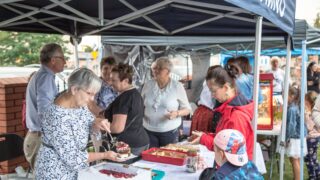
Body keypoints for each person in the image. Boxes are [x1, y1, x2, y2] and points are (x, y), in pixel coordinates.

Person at [35, 68, 120, 180]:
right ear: (74, 89)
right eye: (89, 94)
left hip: (76, 171)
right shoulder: (56, 117)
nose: (92, 99)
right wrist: (105, 155)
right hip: (56, 172)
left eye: (94, 94)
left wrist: (97, 123)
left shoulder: (78, 103)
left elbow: (89, 121)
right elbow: (73, 158)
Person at [190, 65, 254, 160]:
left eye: (213, 91)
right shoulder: (229, 110)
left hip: (232, 170)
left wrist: (205, 139)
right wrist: (205, 136)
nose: (212, 95)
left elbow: (232, 151)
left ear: (226, 87)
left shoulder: (236, 116)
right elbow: (225, 138)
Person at [23, 43, 66, 170]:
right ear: (53, 60)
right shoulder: (45, 77)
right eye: (62, 58)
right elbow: (46, 111)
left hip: (38, 137)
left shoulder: (43, 75)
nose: (65, 62)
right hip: (40, 138)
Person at [142, 57, 191, 148]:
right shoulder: (148, 85)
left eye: (159, 68)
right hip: (148, 130)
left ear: (168, 72)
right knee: (150, 159)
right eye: (154, 68)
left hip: (169, 132)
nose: (155, 70)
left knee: (168, 157)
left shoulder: (177, 86)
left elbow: (187, 109)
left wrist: (176, 113)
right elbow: (141, 105)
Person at [104, 63, 149, 155]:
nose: (111, 83)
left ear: (125, 80)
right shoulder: (135, 94)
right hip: (140, 141)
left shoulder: (123, 99)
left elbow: (117, 128)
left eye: (114, 80)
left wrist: (101, 127)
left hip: (127, 146)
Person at [285, 86, 307, 180]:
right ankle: (296, 177)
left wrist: (287, 138)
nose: (285, 98)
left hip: (295, 137)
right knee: (296, 159)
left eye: (286, 96)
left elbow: (291, 126)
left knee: (294, 160)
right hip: (300, 136)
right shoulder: (297, 106)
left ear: (292, 96)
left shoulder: (292, 109)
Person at [305, 91, 320, 180]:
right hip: (316, 137)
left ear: (308, 101)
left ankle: (312, 177)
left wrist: (306, 119)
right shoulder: (315, 112)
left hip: (311, 138)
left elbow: (310, 127)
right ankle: (318, 174)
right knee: (314, 157)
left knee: (308, 159)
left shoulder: (310, 113)